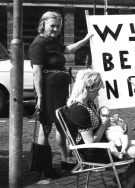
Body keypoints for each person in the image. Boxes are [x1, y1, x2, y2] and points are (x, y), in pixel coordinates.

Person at [28, 11, 93, 177]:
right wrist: (40, 98)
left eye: (58, 26)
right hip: (48, 94)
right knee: (45, 128)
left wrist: (86, 39)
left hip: (59, 93)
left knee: (62, 126)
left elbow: (68, 49)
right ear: (43, 24)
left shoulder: (53, 41)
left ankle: (65, 160)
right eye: (52, 26)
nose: (56, 29)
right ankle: (45, 168)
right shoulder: (39, 44)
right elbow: (36, 73)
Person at [66, 69, 135, 188]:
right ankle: (124, 179)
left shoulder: (87, 103)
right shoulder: (79, 110)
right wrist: (104, 125)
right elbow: (90, 143)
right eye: (97, 90)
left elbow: (96, 126)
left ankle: (126, 181)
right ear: (88, 88)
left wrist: (109, 123)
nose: (98, 94)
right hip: (97, 153)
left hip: (106, 145)